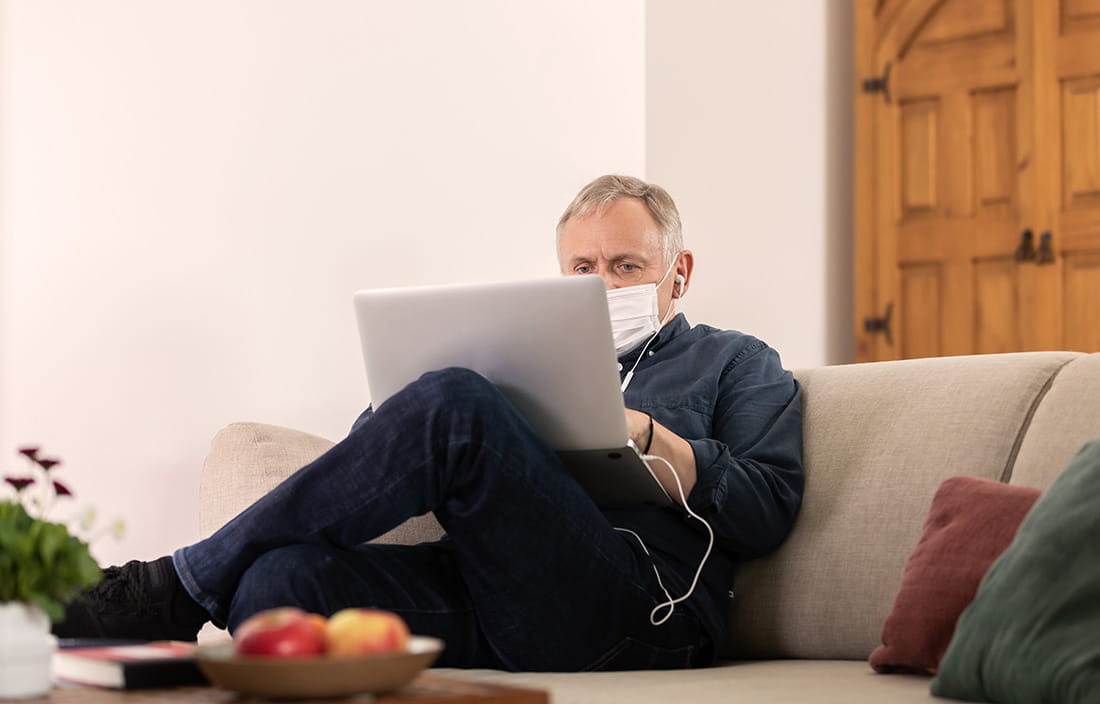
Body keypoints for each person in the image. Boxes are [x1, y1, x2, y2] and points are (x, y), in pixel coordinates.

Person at [55, 175, 804, 672]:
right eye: (583, 269)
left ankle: (173, 589)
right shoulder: (533, 349)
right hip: (491, 594)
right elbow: (368, 455)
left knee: (456, 399)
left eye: (626, 266)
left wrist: (645, 434)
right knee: (277, 584)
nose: (603, 284)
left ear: (679, 271)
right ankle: (205, 586)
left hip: (642, 606)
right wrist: (403, 403)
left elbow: (768, 508)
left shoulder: (735, 361)